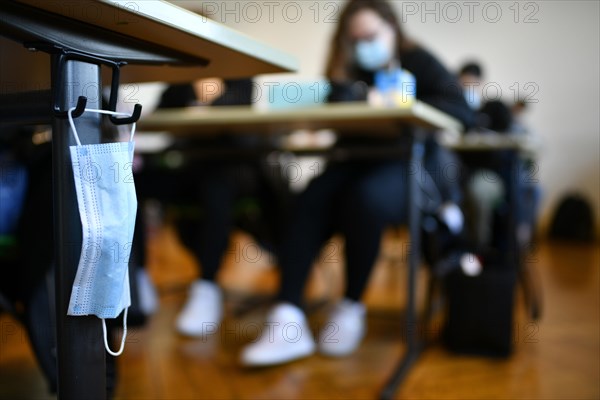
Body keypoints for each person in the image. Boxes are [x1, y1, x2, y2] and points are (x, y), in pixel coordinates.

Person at [241, 0, 475, 366]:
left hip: (404, 165)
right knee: (309, 199)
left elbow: (462, 111)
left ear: (393, 29)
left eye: (371, 36)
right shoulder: (345, 68)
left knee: (364, 200)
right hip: (351, 159)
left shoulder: (418, 61)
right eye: (355, 39)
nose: (364, 45)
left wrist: (395, 100)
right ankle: (288, 317)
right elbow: (333, 113)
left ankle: (351, 307)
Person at [133, 78, 289, 337]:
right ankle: (137, 276)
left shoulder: (240, 82)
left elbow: (238, 127)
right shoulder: (179, 85)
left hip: (232, 170)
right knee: (134, 182)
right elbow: (158, 119)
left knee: (216, 185)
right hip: (189, 168)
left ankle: (207, 285)